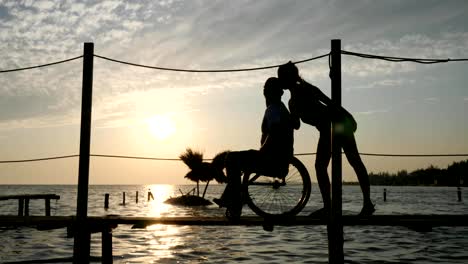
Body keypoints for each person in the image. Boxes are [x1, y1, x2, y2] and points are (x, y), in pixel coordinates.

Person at [277, 61, 375, 216]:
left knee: (345, 162)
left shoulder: (306, 90)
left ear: (287, 78)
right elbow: (296, 125)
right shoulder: (292, 102)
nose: (279, 80)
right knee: (336, 163)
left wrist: (349, 117)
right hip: (331, 127)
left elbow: (330, 103)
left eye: (280, 77)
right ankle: (338, 206)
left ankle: (347, 206)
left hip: (336, 124)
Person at [213, 77, 298, 218]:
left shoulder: (273, 109)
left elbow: (275, 132)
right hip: (281, 159)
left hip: (271, 159)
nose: (264, 92)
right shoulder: (282, 109)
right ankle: (233, 199)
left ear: (269, 93)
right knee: (236, 162)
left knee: (231, 158)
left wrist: (262, 151)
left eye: (266, 90)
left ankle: (235, 203)